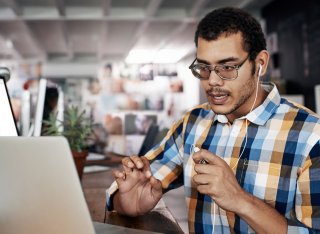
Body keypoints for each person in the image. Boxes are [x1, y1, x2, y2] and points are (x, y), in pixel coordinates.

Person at [106, 7, 320, 233]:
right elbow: (132, 187)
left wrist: (239, 199)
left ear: (260, 64)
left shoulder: (310, 136)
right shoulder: (192, 123)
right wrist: (126, 202)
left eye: (227, 67)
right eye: (204, 67)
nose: (213, 81)